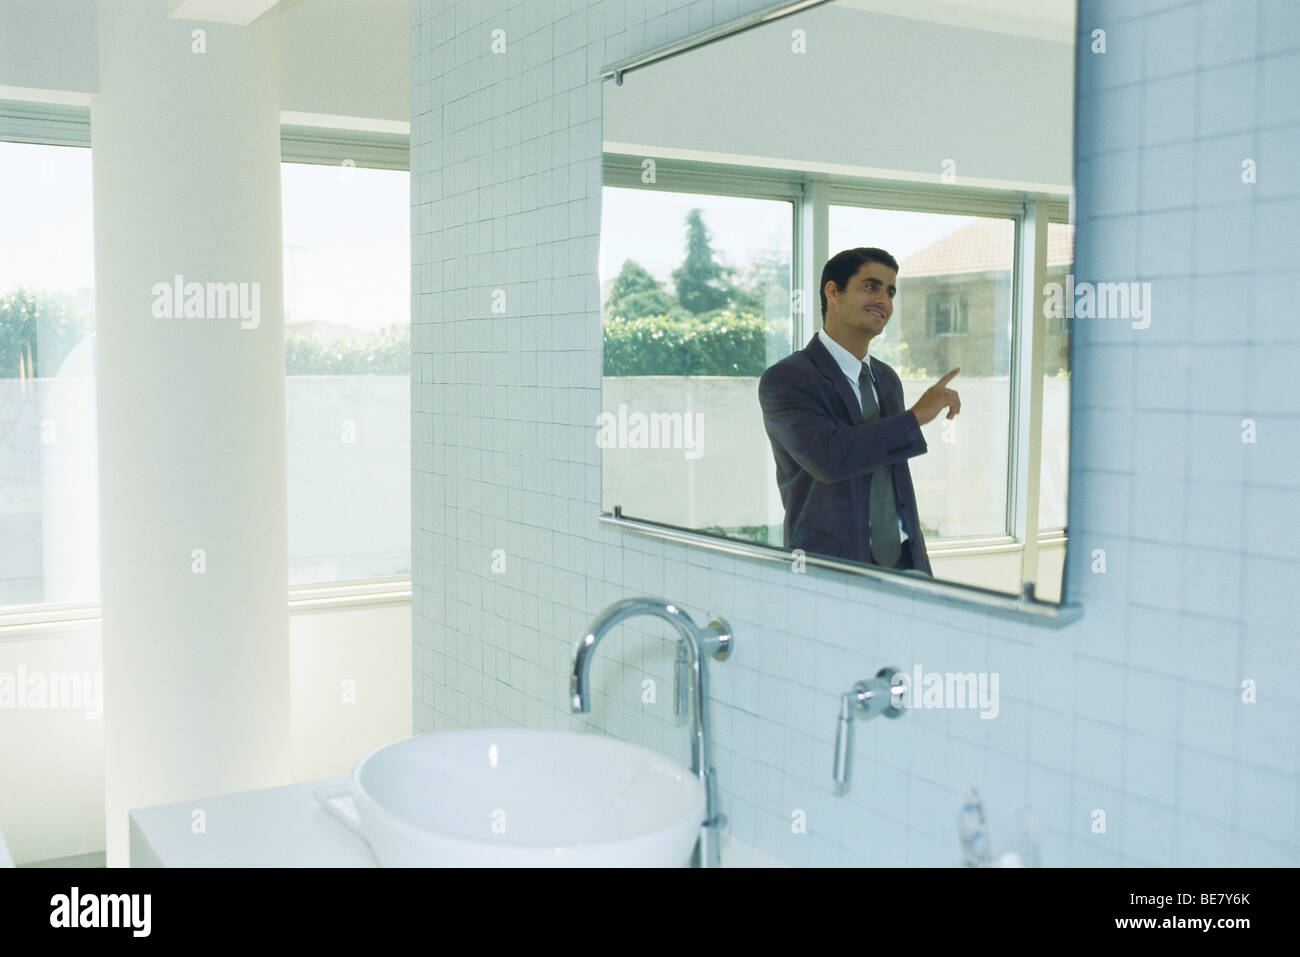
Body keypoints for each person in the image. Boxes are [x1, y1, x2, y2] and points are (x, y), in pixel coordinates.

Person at [758, 247, 961, 574]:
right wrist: (916, 417)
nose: (884, 299)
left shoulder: (886, 379)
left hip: (905, 560)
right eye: (871, 286)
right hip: (831, 566)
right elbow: (830, 458)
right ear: (833, 292)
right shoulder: (787, 379)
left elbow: (890, 471)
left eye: (890, 291)